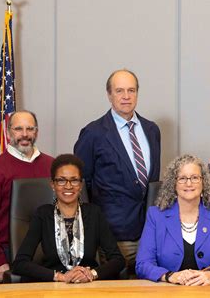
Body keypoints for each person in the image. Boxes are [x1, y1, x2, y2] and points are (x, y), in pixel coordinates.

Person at [74, 69, 161, 273]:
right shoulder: (93, 133)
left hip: (150, 232)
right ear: (109, 94)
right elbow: (81, 186)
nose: (126, 96)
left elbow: (152, 182)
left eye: (131, 90)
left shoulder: (151, 130)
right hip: (113, 235)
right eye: (119, 90)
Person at [12, 154, 125, 282]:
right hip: (54, 288)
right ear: (52, 185)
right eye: (61, 180)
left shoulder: (94, 213)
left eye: (74, 180)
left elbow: (118, 260)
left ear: (81, 185)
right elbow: (20, 263)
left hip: (88, 287)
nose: (68, 186)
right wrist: (60, 277)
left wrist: (91, 274)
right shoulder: (43, 215)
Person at [0, 110, 54, 284]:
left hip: (48, 255)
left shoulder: (52, 166)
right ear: (9, 132)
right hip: (8, 255)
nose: (24, 134)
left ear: (37, 132)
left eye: (30, 129)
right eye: (18, 129)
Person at [136, 154, 210, 285]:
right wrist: (169, 276)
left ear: (204, 182)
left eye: (195, 178)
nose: (189, 183)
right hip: (168, 291)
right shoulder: (156, 215)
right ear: (173, 184)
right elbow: (143, 264)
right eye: (182, 178)